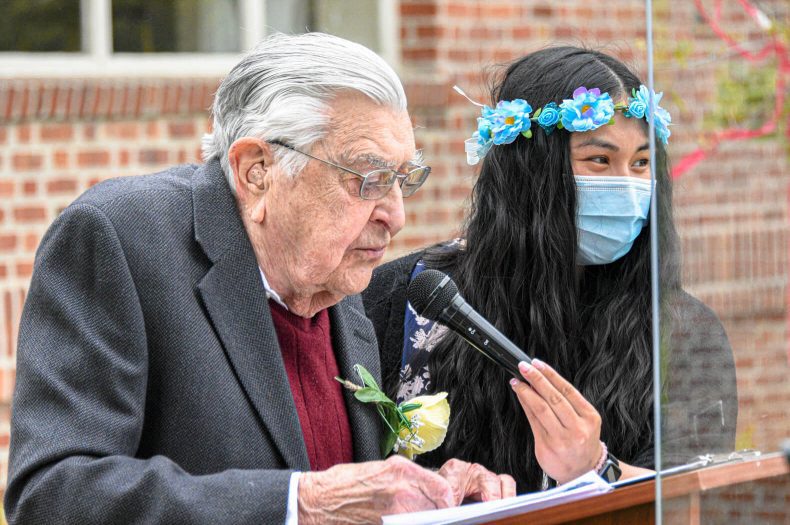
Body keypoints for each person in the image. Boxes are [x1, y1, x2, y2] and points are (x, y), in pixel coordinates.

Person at [5, 33, 516, 524]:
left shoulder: (331, 281)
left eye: (403, 179)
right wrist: (300, 503)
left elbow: (337, 484)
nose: (396, 215)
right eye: (368, 179)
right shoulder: (123, 238)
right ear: (257, 171)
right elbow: (52, 494)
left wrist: (434, 491)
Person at [363, 46, 738, 493]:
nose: (628, 184)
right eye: (600, 160)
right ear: (532, 173)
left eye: (641, 163)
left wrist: (596, 467)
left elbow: (697, 496)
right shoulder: (412, 299)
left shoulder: (683, 331)